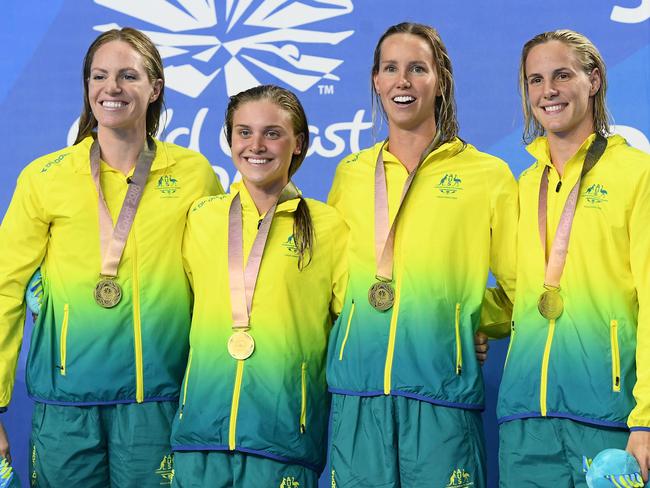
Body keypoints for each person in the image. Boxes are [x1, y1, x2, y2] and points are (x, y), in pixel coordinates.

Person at [0, 27, 222, 486]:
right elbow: (4, 290)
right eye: (99, 76)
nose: (112, 88)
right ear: (87, 88)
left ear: (155, 88)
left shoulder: (193, 174)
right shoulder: (45, 178)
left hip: (157, 404)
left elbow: (220, 282)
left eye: (128, 75)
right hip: (65, 409)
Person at [326, 22, 518, 488]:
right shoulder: (350, 174)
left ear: (440, 80)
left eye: (417, 68)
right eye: (390, 68)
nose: (403, 81)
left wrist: (462, 321)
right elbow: (329, 287)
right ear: (376, 80)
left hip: (442, 399)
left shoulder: (486, 175)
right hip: (357, 396)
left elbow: (522, 289)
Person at [169, 85, 348, 487]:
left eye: (273, 133)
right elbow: (156, 287)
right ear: (230, 139)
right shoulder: (200, 218)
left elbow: (362, 320)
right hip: (199, 435)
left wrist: (456, 331)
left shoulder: (328, 227)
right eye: (244, 132)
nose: (256, 145)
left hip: (284, 438)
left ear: (298, 143)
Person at [497, 29, 650, 486]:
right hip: (524, 421)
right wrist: (464, 325)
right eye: (536, 80)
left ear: (595, 79)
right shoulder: (523, 186)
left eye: (563, 75)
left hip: (608, 418)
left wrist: (645, 417)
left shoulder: (636, 175)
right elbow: (519, 294)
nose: (549, 91)